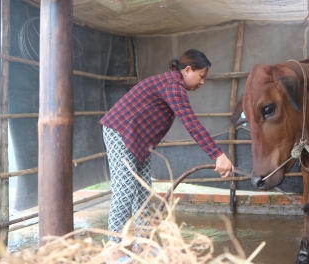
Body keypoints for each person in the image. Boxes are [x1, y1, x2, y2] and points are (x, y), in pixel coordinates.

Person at [99, 49, 234, 262]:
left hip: (138, 139)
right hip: (120, 131)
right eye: (201, 76)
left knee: (143, 191)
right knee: (125, 191)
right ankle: (113, 248)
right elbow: (190, 121)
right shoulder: (173, 84)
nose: (202, 83)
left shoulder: (172, 83)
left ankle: (142, 242)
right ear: (187, 70)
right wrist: (217, 154)